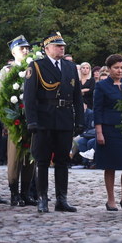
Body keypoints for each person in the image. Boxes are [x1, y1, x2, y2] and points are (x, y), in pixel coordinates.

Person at [24, 32, 84, 213]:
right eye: (58, 45)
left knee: (62, 160)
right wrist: (32, 120)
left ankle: (61, 199)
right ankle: (42, 198)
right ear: (47, 48)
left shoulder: (70, 67)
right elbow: (29, 97)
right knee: (42, 161)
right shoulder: (36, 66)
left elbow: (77, 96)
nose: (61, 48)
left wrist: (79, 120)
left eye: (62, 45)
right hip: (43, 119)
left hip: (64, 119)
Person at [93, 54, 122, 211]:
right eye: (116, 68)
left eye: (121, 67)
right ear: (109, 69)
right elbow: (97, 110)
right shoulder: (101, 86)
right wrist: (99, 132)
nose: (119, 70)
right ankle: (111, 199)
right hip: (109, 129)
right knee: (110, 165)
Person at [0, 35, 35, 206]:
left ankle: (26, 193)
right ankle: (14, 192)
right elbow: (2, 99)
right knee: (14, 158)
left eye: (27, 48)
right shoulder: (7, 71)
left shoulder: (33, 67)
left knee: (30, 156)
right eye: (22, 48)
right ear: (13, 51)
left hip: (32, 119)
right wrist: (7, 122)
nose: (26, 50)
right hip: (15, 121)